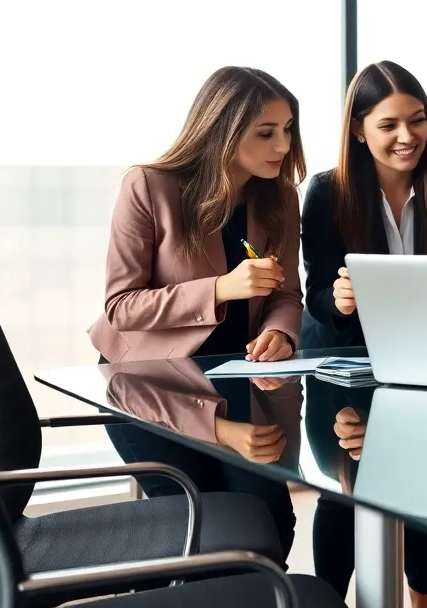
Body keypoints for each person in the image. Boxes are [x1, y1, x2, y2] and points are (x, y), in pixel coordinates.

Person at [87, 65, 307, 560]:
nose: (283, 145)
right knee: (208, 526)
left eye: (288, 129)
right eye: (267, 132)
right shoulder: (148, 186)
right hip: (146, 388)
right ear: (224, 130)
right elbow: (120, 307)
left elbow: (287, 295)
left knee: (272, 525)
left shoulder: (280, 198)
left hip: (231, 383)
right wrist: (220, 289)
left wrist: (281, 334)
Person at [299, 60, 427, 607]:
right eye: (389, 125)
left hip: (423, 361)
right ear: (358, 130)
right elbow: (318, 300)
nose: (407, 137)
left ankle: (422, 596)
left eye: (418, 121)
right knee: (345, 488)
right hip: (346, 361)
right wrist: (342, 297)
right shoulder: (328, 193)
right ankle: (331, 597)